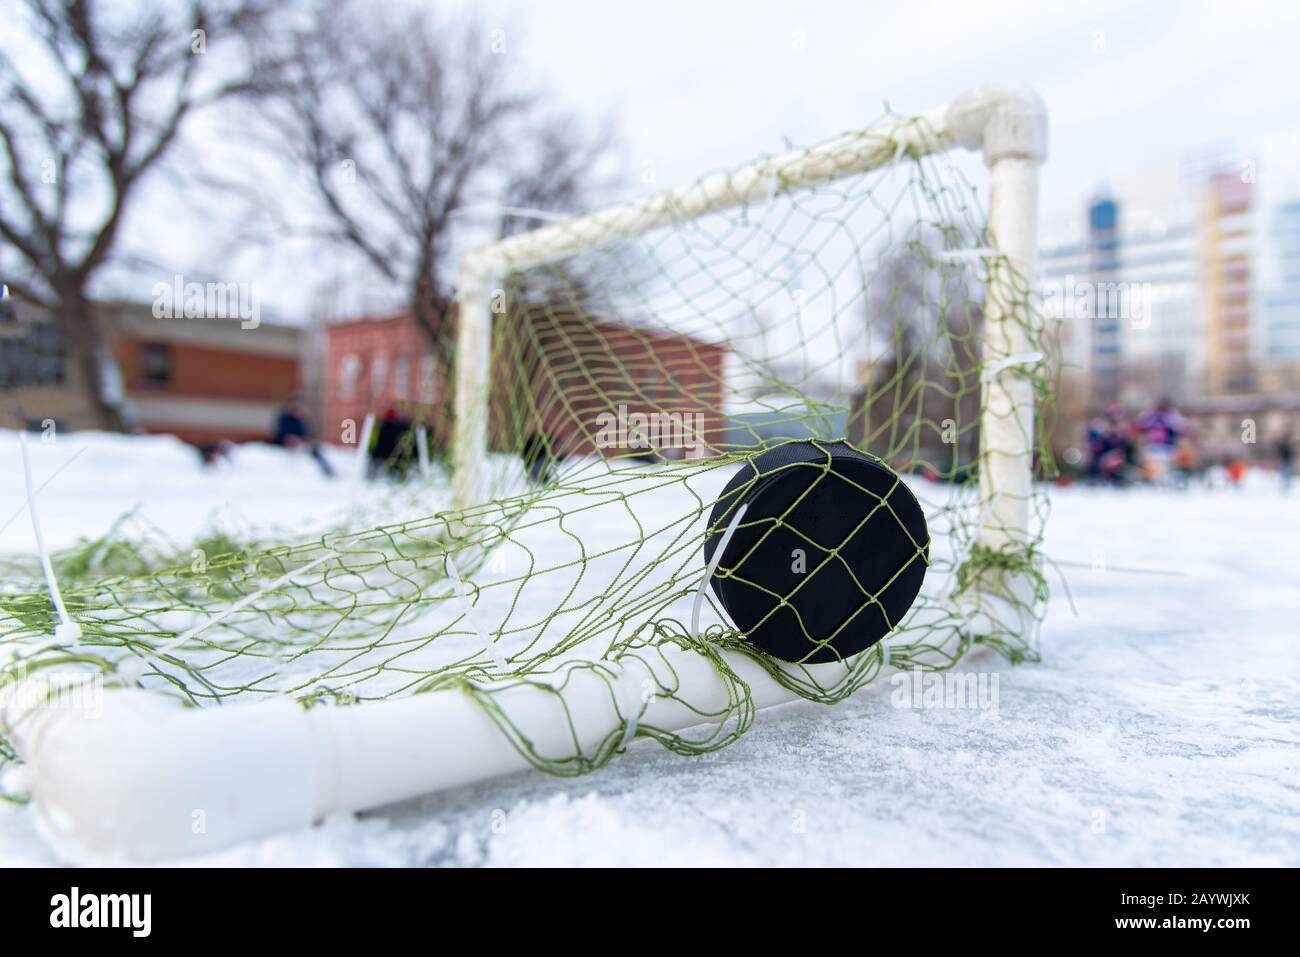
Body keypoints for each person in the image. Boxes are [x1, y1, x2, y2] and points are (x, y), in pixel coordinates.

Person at [273, 395, 334, 477]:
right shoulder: (284, 419)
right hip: (285, 444)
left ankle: (326, 470)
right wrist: (288, 439)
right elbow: (279, 433)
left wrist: (303, 440)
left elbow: (306, 433)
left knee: (315, 450)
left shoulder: (300, 420)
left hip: (299, 444)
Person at [1135, 398, 1187, 485]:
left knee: (1166, 469)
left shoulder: (1172, 417)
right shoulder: (1150, 416)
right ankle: (1153, 483)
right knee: (1154, 469)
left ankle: (1165, 484)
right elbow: (1138, 427)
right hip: (1153, 446)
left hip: (1168, 447)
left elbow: (1182, 429)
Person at [369, 407, 416, 480]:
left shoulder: (384, 427)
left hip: (387, 453)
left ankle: (375, 475)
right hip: (394, 454)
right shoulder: (400, 426)